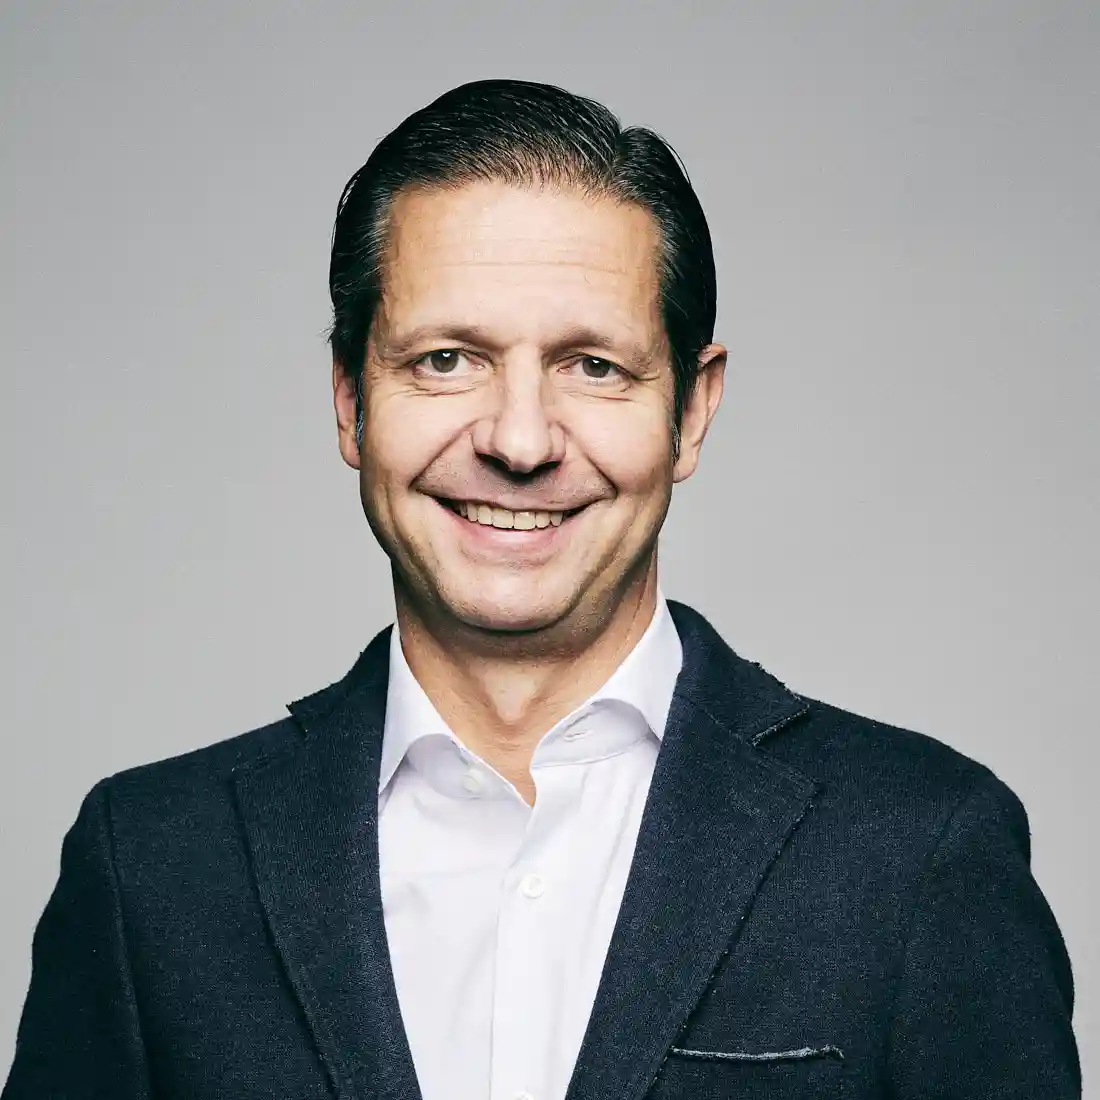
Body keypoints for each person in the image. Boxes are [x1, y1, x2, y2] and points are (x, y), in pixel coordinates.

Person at [3, 79, 1079, 1100]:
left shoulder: (917, 847)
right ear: (348, 399)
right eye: (444, 359)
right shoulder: (149, 865)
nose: (517, 440)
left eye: (593, 366)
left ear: (690, 412)